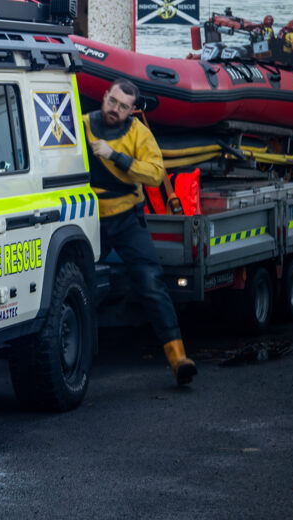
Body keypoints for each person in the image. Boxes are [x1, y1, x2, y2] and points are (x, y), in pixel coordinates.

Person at [85, 78, 198, 386]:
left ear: (132, 110)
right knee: (76, 285)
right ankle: (74, 361)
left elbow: (156, 173)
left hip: (127, 220)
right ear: (105, 96)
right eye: (112, 101)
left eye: (123, 106)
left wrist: (115, 156)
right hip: (88, 220)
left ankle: (178, 360)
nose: (115, 109)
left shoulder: (138, 133)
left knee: (151, 282)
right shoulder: (81, 125)